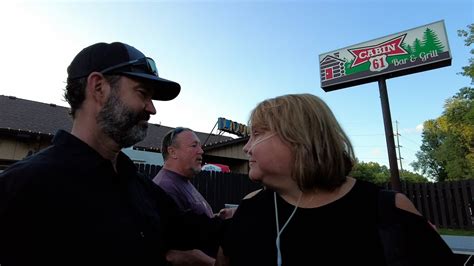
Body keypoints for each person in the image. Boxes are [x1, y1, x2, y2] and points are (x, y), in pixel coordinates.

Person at [0, 42, 220, 266]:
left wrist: (252, 212)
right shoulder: (23, 187)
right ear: (98, 88)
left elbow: (192, 230)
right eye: (142, 93)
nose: (152, 109)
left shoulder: (138, 185)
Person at [215, 93, 456, 266]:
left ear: (300, 138)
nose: (246, 148)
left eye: (257, 134)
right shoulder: (250, 207)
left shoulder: (386, 208)